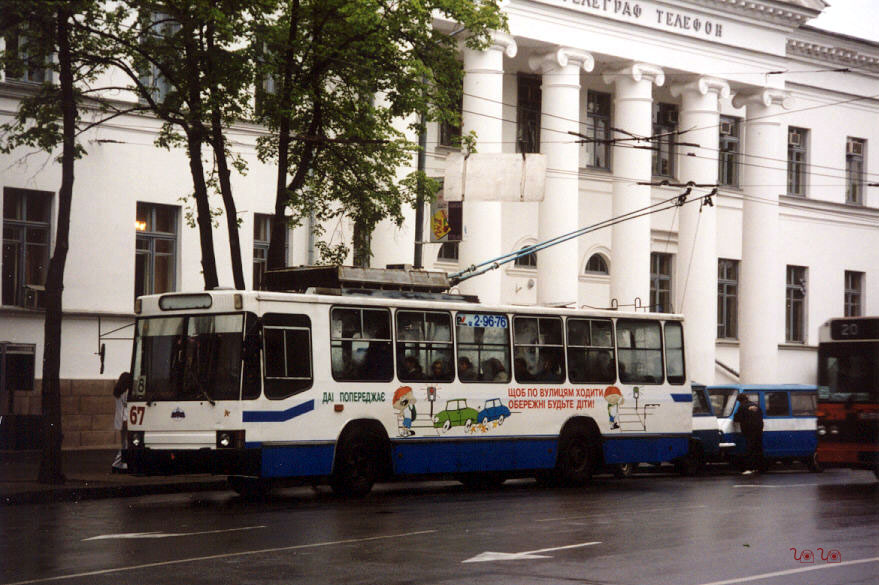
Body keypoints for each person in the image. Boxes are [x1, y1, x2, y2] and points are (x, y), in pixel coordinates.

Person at [733, 393, 764, 475]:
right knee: (758, 449)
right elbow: (761, 416)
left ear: (740, 400)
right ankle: (760, 468)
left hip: (749, 431)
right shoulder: (756, 406)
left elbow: (737, 419)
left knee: (749, 450)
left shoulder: (742, 407)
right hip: (759, 430)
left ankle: (749, 468)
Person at [111, 371, 132, 473]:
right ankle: (118, 464)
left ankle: (121, 464)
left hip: (119, 419)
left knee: (124, 443)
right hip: (125, 419)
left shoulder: (117, 392)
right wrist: (126, 421)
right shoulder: (126, 392)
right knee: (126, 444)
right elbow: (126, 408)